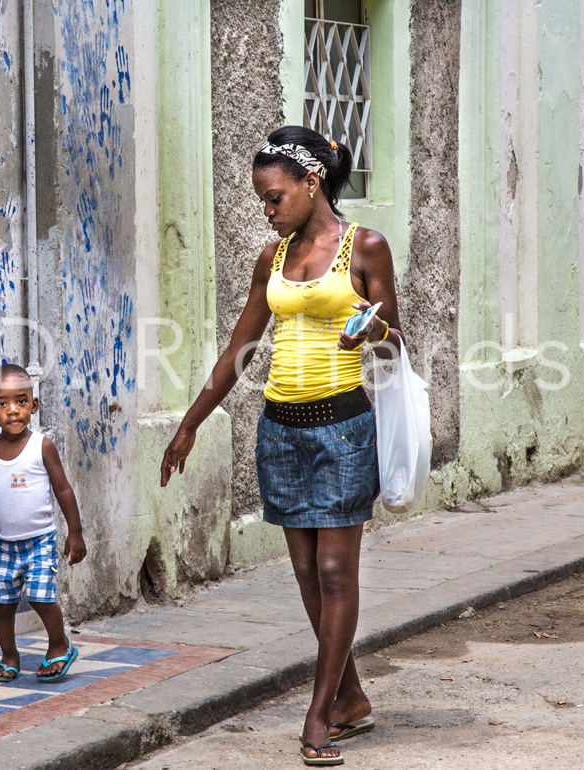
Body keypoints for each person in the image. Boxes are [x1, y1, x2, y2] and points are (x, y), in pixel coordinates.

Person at [160, 126, 404, 766]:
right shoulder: (270, 260)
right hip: (281, 430)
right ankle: (348, 695)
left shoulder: (366, 247)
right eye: (263, 201)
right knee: (303, 572)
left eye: (274, 198)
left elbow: (395, 339)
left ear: (310, 182)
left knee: (332, 570)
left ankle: (318, 715)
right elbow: (238, 351)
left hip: (343, 428)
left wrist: (372, 330)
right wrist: (190, 423)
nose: (268, 211)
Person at [0, 364, 87, 682]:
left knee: (40, 596)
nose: (13, 411)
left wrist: (75, 533)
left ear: (33, 405)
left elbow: (63, 488)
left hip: (39, 541)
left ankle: (59, 645)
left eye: (21, 401)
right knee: (2, 603)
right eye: (2, 403)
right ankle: (9, 656)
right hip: (2, 544)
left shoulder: (42, 447)